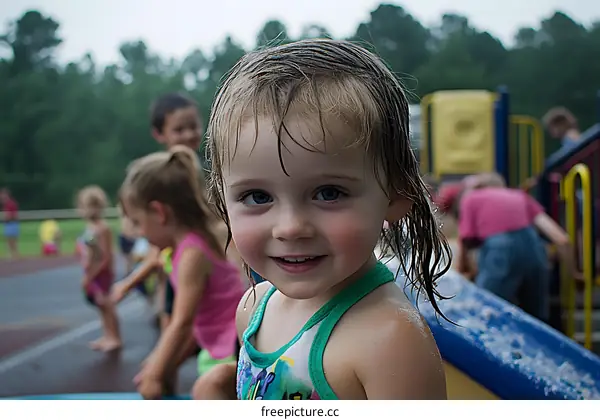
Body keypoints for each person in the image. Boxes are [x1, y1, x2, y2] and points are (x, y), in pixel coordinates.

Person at [203, 38, 451, 400]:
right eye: (257, 197)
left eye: (329, 193)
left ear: (397, 195)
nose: (289, 227)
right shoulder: (253, 310)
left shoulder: (388, 339)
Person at [119, 146, 245, 400]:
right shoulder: (185, 248)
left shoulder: (192, 254)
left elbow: (182, 322)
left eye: (138, 222)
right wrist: (157, 364)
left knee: (206, 390)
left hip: (236, 347)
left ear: (159, 212)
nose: (138, 232)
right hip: (221, 343)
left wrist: (155, 374)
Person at [450, 172, 573, 322]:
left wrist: (460, 271)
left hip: (500, 250)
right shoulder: (520, 195)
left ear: (477, 187)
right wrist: (573, 274)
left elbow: (465, 239)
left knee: (485, 310)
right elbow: (561, 238)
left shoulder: (472, 198)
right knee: (536, 319)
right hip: (534, 249)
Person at [76, 185, 122, 352]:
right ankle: (107, 335)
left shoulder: (103, 228)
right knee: (100, 305)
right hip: (93, 271)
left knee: (107, 304)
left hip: (101, 273)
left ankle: (115, 337)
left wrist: (91, 275)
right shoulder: (90, 228)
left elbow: (105, 257)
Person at [1, 188, 19, 259]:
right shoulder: (5, 204)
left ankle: (15, 254)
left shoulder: (11, 203)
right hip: (8, 224)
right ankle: (10, 254)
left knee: (12, 240)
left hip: (12, 223)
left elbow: (13, 215)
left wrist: (7, 217)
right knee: (8, 239)